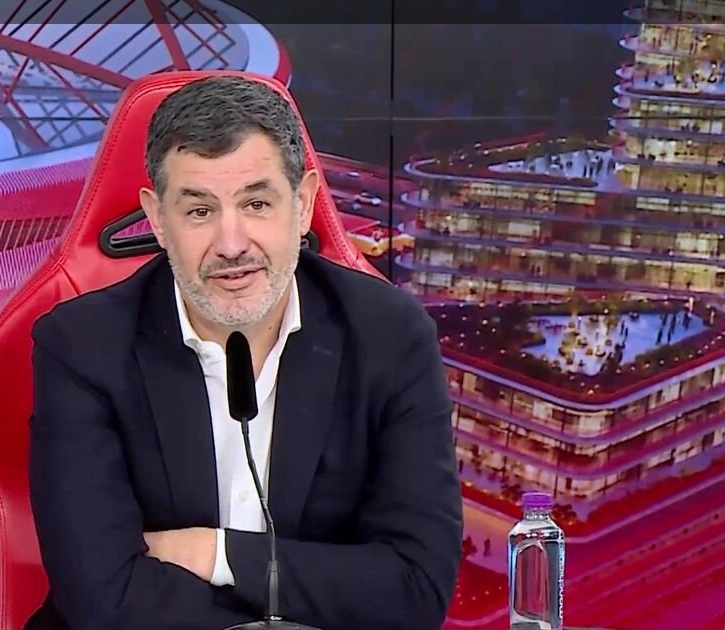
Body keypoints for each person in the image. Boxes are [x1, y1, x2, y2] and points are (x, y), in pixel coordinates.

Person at [26, 76, 463, 630]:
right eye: (199, 211)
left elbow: (414, 591)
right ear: (157, 219)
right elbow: (102, 601)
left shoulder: (390, 337)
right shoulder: (82, 347)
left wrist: (217, 553)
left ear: (302, 205)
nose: (231, 245)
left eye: (256, 203)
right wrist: (316, 592)